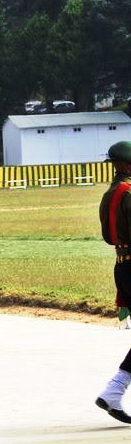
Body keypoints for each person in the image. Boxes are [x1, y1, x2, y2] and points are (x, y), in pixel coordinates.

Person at [95, 141, 131, 423]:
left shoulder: (111, 193)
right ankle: (114, 389)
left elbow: (109, 235)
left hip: (122, 264)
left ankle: (114, 392)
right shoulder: (129, 193)